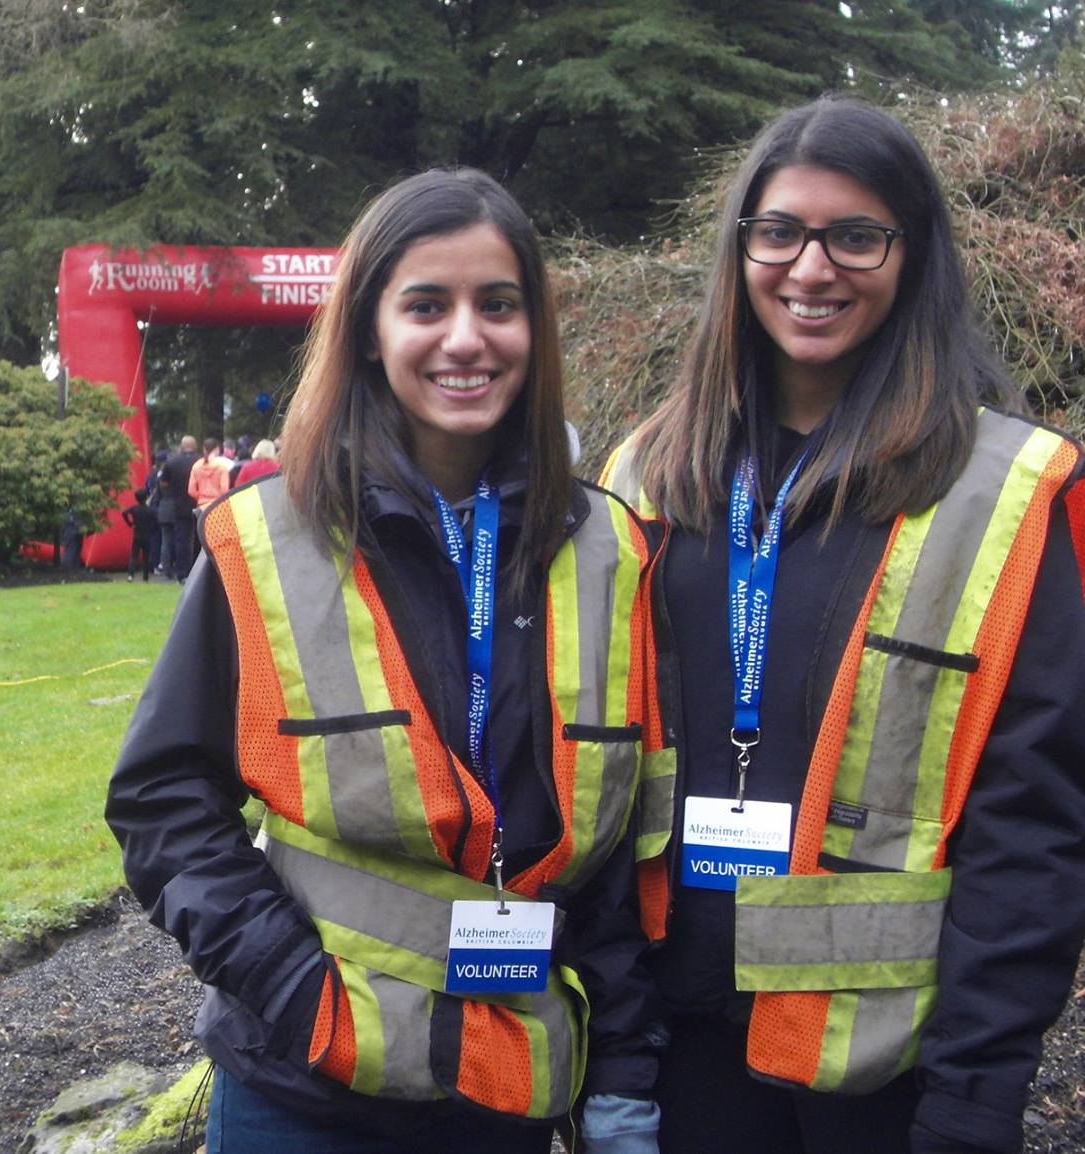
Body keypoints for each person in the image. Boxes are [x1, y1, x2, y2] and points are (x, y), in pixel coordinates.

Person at [108, 167, 675, 1154]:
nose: (465, 336)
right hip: (303, 1090)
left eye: (496, 304)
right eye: (426, 304)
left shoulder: (607, 548)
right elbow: (162, 797)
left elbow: (618, 853)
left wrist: (620, 1069)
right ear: (368, 327)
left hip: (507, 1089)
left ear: (532, 331)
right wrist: (291, 987)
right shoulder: (265, 537)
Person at [599, 97, 1085, 1154]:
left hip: (892, 1062)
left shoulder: (996, 488)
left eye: (855, 236)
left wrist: (976, 1089)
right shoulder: (643, 475)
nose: (810, 268)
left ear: (910, 254)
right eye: (778, 232)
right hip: (678, 1028)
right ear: (738, 249)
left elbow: (1033, 817)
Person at [159, 436, 201, 579]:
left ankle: (183, 572)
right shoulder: (201, 461)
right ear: (195, 446)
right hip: (199, 503)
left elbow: (163, 483)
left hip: (179, 505)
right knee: (199, 538)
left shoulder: (172, 462)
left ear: (182, 446)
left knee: (181, 539)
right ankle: (198, 572)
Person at [122, 486, 159, 581]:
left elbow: (124, 513)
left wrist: (130, 524)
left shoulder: (134, 508)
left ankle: (130, 575)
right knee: (146, 557)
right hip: (147, 535)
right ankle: (145, 577)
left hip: (137, 534)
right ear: (146, 497)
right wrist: (152, 531)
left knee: (134, 555)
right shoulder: (150, 510)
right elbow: (156, 522)